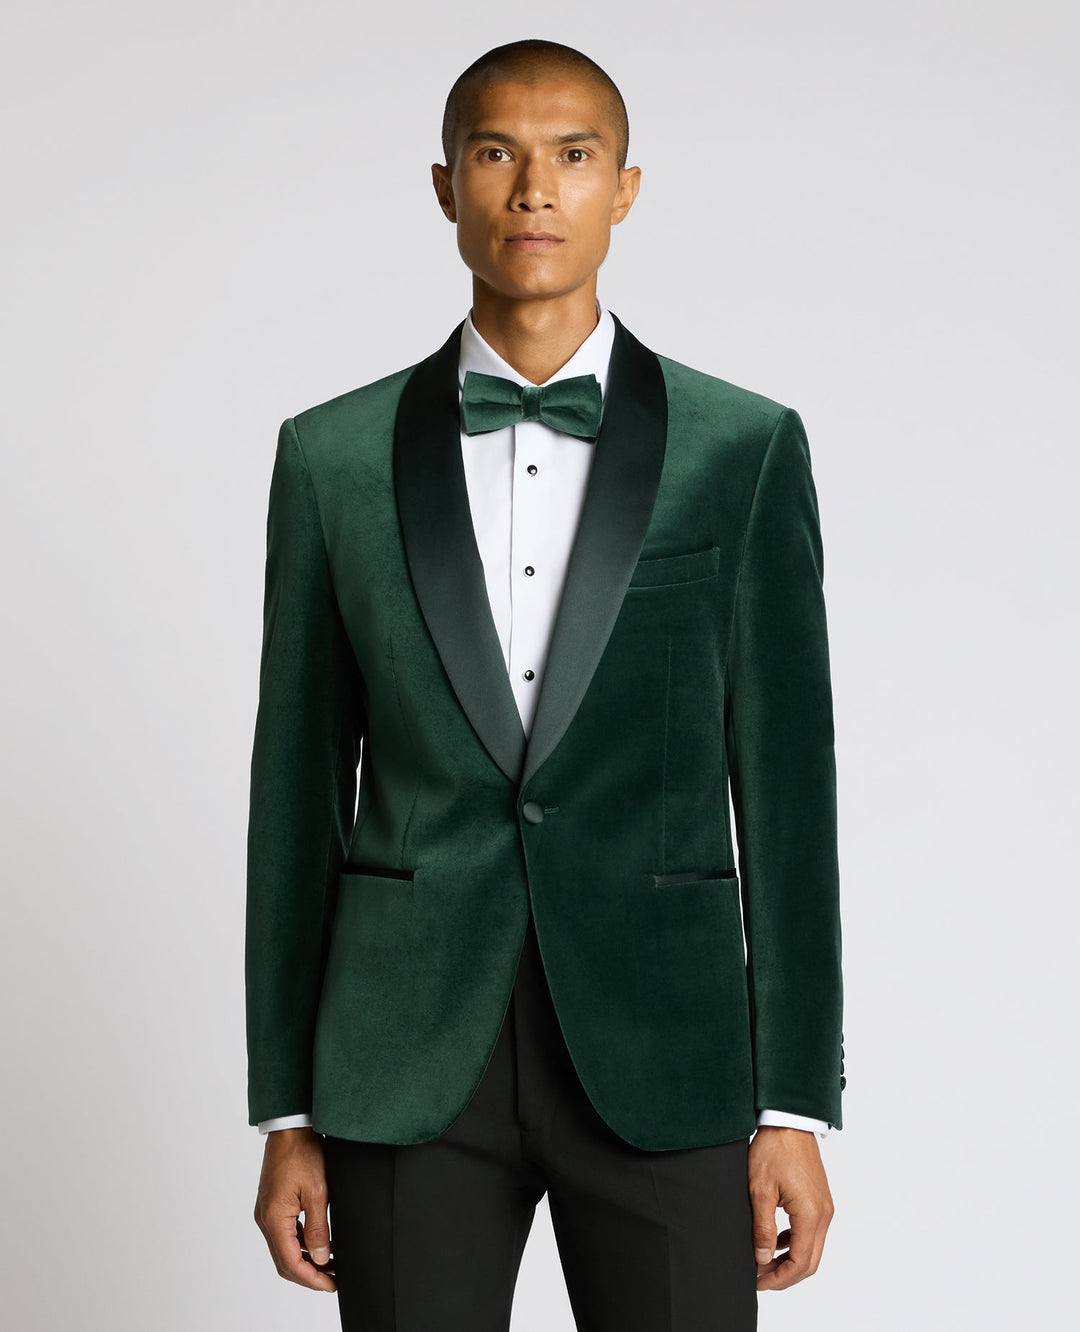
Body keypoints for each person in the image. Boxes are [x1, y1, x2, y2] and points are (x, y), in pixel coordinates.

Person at [246, 38, 845, 1332]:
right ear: (444, 185)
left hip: (667, 1054)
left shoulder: (742, 450)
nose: (534, 189)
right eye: (496, 153)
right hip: (403, 1060)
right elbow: (294, 797)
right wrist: (287, 1110)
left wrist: (793, 1101)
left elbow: (789, 795)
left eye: (573, 155)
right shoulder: (331, 459)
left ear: (623, 188)